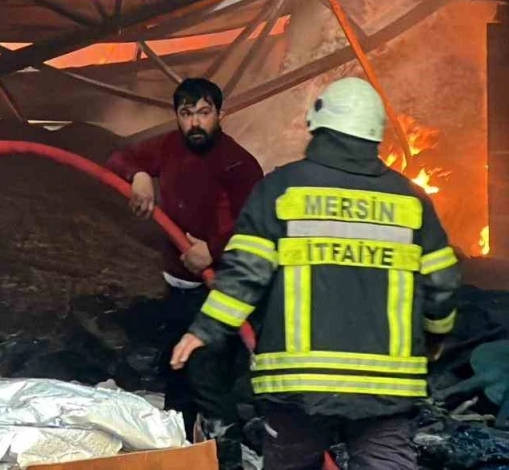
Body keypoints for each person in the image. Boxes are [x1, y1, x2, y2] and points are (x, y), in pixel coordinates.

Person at [171, 77, 461, 470]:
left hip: (298, 388)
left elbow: (245, 275)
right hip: (385, 389)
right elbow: (442, 284)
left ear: (318, 125)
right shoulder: (411, 201)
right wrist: (434, 339)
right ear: (376, 132)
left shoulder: (281, 190)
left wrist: (204, 330)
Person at [105, 77, 263, 465]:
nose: (195, 123)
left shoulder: (239, 163)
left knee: (209, 384)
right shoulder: (168, 147)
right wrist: (139, 175)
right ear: (176, 115)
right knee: (176, 377)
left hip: (221, 293)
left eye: (204, 113)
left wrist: (215, 249)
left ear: (220, 114)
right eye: (186, 113)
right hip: (177, 287)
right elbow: (119, 157)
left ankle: (225, 460)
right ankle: (181, 457)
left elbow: (258, 225)